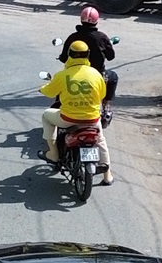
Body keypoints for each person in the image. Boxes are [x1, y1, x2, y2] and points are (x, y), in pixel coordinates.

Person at [38, 51, 110, 179]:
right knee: (100, 140)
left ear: (70, 55)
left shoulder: (62, 75)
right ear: (88, 55)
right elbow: (102, 94)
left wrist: (42, 89)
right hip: (92, 119)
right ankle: (107, 175)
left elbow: (50, 92)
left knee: (46, 116)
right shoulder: (95, 74)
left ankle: (53, 154)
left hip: (68, 119)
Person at [58, 6, 118, 105]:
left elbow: (64, 58)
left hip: (73, 75)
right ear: (96, 21)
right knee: (113, 77)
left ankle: (58, 104)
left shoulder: (72, 37)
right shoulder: (102, 37)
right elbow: (111, 57)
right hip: (98, 74)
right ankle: (107, 105)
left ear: (81, 20)